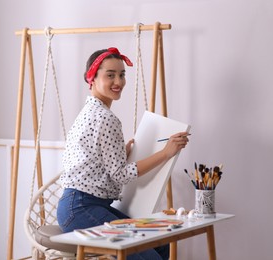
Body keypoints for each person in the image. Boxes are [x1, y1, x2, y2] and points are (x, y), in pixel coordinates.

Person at [57, 47, 189, 260]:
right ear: (92, 78)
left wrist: (122, 154)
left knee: (160, 246)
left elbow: (97, 164)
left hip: (80, 206)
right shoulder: (106, 118)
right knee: (150, 257)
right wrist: (166, 152)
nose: (118, 81)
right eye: (110, 75)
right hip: (81, 208)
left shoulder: (92, 111)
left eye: (121, 74)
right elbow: (120, 175)